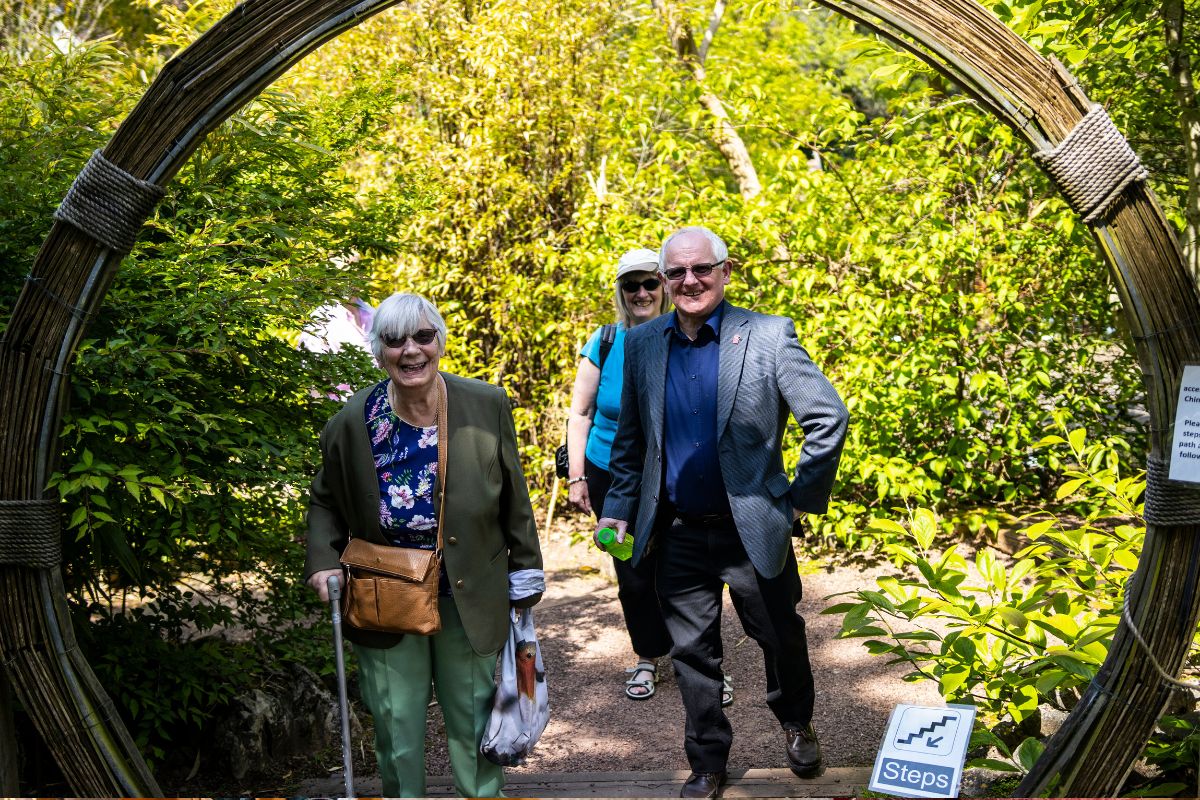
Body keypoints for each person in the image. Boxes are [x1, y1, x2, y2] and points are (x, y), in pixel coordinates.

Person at [596, 226, 849, 799]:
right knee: (691, 653)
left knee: (780, 634)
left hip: (752, 527)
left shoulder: (767, 336)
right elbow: (632, 445)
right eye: (677, 272)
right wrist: (619, 508)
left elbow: (826, 418)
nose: (690, 281)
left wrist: (794, 502)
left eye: (701, 269)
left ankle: (795, 722)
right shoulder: (640, 346)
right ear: (663, 281)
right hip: (677, 532)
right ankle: (708, 761)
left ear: (725, 272)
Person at [305, 292, 544, 798]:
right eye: (394, 340)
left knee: (474, 711)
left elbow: (514, 497)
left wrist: (526, 571)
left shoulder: (484, 403)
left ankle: (482, 795)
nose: (410, 351)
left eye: (422, 337)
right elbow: (324, 499)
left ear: (439, 340)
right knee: (397, 717)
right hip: (385, 590)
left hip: (470, 584)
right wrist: (324, 563)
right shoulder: (352, 421)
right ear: (378, 350)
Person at [565, 247, 677, 702]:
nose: (642, 292)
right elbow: (580, 412)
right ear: (621, 291)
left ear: (665, 285)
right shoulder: (607, 340)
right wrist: (577, 477)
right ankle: (648, 657)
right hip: (610, 471)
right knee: (631, 570)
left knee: (682, 567)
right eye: (632, 285)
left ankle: (702, 662)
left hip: (670, 471)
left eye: (650, 282)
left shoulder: (683, 335)